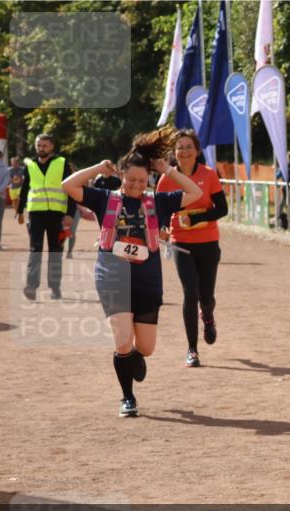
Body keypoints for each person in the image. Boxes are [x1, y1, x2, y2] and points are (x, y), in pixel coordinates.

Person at [61, 128, 202, 417]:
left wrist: (168, 170)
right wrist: (98, 168)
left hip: (147, 281)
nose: (136, 185)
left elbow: (195, 193)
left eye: (142, 180)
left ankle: (133, 357)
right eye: (131, 179)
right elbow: (68, 185)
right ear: (121, 175)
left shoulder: (158, 202)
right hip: (112, 278)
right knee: (123, 341)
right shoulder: (105, 198)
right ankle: (128, 397)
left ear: (149, 179)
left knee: (146, 348)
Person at [157, 129, 228, 367]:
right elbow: (160, 210)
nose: (184, 151)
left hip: (208, 242)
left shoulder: (208, 174)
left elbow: (222, 209)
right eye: (180, 147)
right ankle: (192, 349)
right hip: (181, 243)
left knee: (206, 297)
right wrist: (162, 227)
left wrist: (195, 218)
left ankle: (207, 316)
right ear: (174, 152)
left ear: (197, 151)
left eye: (189, 147)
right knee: (190, 293)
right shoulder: (167, 178)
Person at [17, 134, 76, 300]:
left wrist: (70, 214)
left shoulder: (62, 163)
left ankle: (55, 287)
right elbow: (25, 188)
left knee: (55, 251)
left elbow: (71, 188)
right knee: (35, 250)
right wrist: (20, 211)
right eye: (38, 145)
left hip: (57, 214)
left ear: (51, 147)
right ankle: (31, 286)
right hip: (36, 213)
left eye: (44, 145)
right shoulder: (30, 165)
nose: (41, 148)